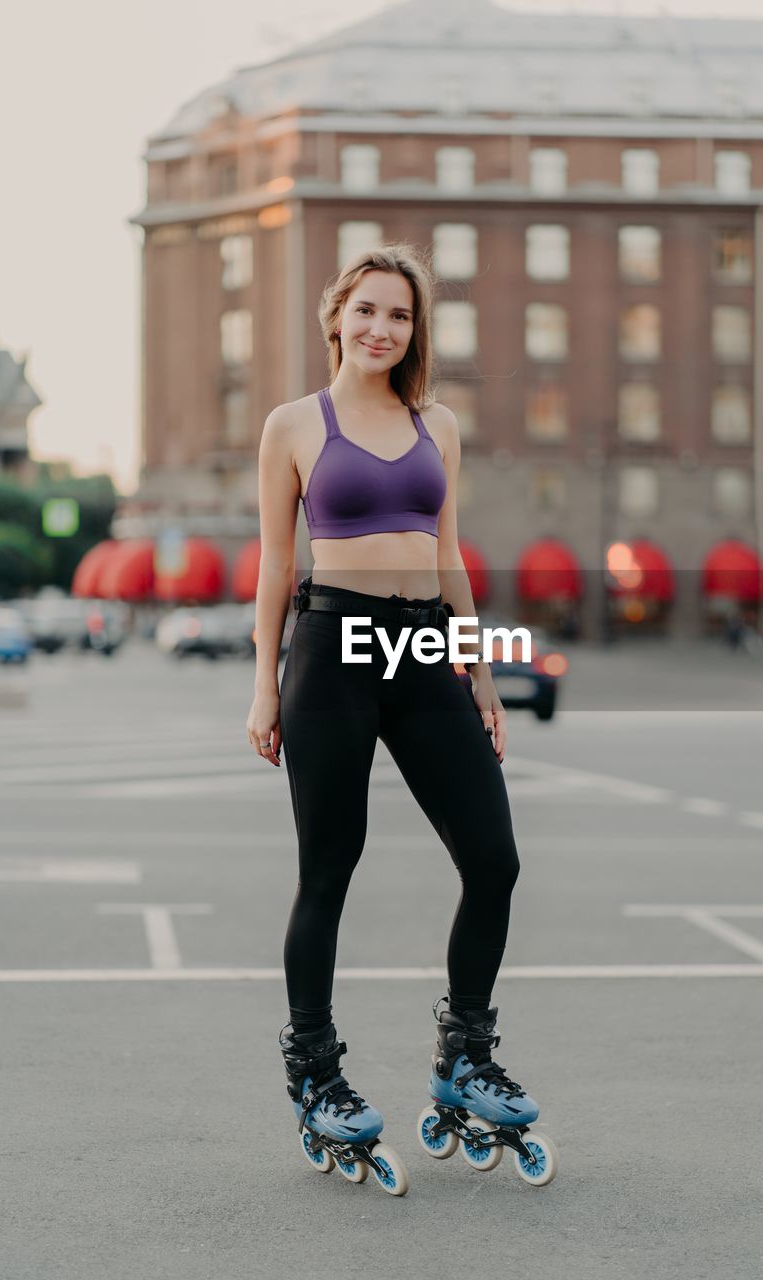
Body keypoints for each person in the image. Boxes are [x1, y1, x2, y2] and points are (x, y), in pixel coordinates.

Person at [245, 243, 557, 1191]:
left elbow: (449, 552)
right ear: (337, 315)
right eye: (369, 310)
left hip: (422, 649)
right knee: (329, 872)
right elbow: (271, 563)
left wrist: (480, 671)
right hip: (332, 648)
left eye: (402, 316)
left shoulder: (437, 425)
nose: (383, 328)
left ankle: (464, 1055)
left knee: (494, 860)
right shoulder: (294, 426)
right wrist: (263, 685)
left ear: (415, 332)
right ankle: (316, 1074)